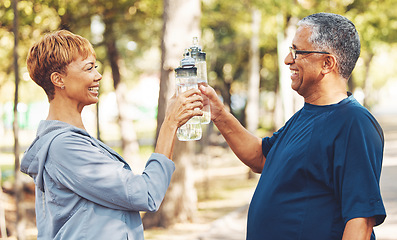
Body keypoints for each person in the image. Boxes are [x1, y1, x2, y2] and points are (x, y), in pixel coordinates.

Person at [200, 12, 386, 240]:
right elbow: (261, 157)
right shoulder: (305, 116)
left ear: (327, 63)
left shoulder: (354, 123)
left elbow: (360, 221)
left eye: (298, 52)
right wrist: (218, 113)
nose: (288, 59)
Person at [20, 30, 203, 239]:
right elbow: (145, 194)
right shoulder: (64, 147)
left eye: (95, 67)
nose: (98, 76)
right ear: (58, 79)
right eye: (89, 68)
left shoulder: (73, 141)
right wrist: (170, 123)